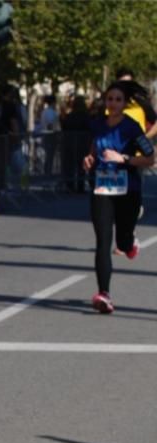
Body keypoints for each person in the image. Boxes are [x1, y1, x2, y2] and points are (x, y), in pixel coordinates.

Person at [82, 81, 155, 314]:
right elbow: (94, 148)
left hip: (128, 189)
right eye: (110, 99)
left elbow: (151, 158)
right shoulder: (97, 125)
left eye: (117, 99)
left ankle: (129, 241)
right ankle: (104, 293)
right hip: (102, 188)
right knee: (103, 241)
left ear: (124, 104)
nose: (112, 103)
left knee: (122, 242)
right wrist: (89, 159)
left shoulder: (132, 127)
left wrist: (122, 158)